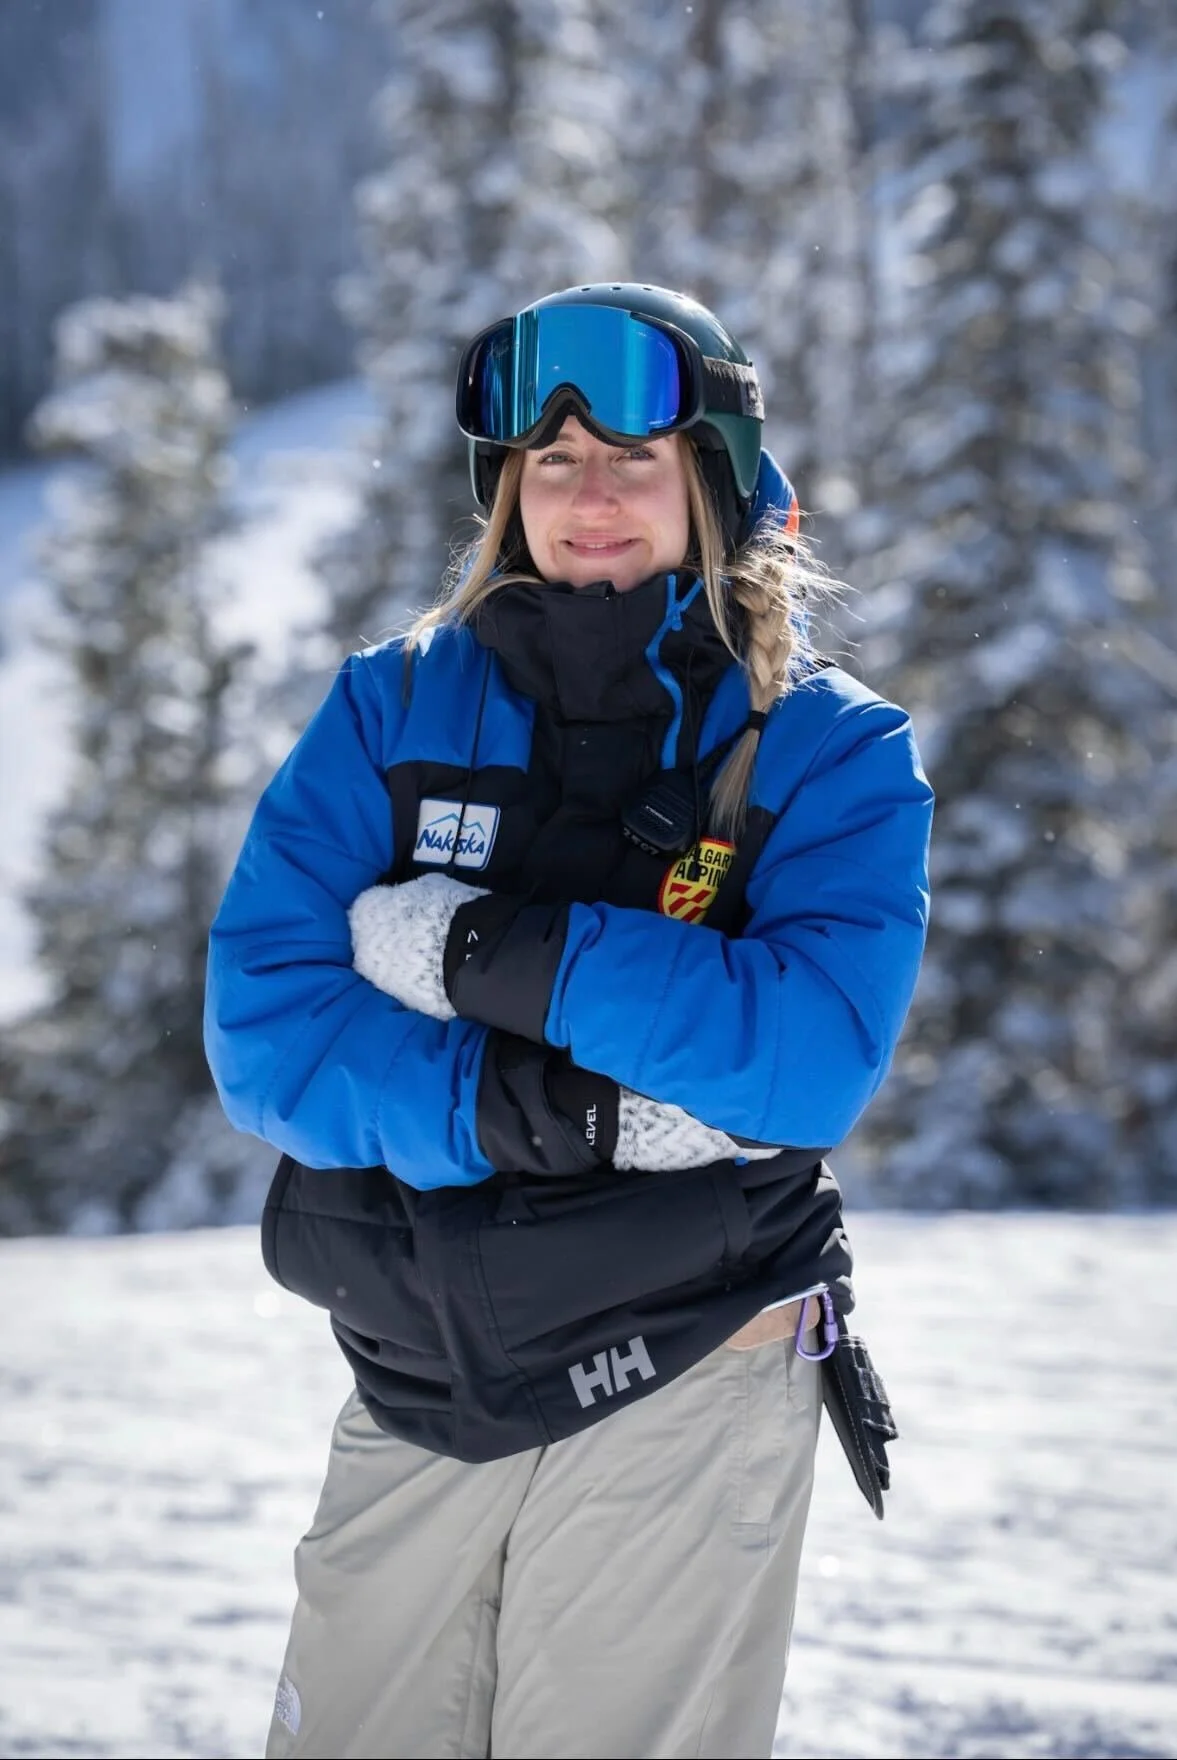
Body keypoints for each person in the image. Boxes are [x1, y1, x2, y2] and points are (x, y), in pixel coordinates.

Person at [204, 283, 933, 1760]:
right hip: (416, 1374)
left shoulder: (827, 748)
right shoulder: (390, 707)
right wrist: (557, 1110)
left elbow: (799, 1056)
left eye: (632, 459)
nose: (587, 496)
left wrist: (474, 948)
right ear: (502, 492)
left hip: (689, 1356)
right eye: (549, 464)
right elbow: (265, 1027)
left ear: (713, 480)